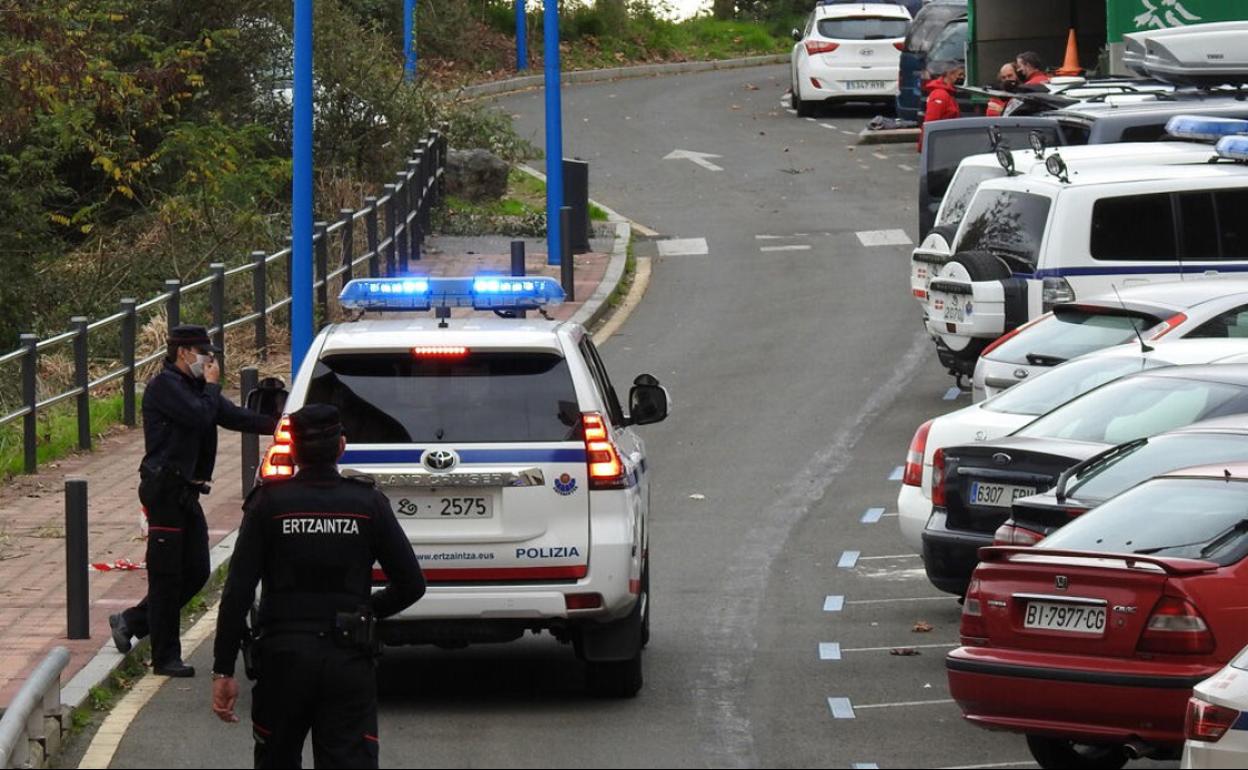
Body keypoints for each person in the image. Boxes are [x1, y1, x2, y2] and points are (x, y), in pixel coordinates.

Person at [210, 404, 426, 769]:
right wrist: (365, 612)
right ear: (341, 446)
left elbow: (237, 594)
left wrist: (223, 669)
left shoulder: (268, 504)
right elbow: (411, 584)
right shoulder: (367, 503)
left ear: (293, 451)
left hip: (282, 660)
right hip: (347, 658)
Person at [110, 325, 278, 677]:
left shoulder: (197, 388)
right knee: (167, 576)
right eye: (206, 355)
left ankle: (130, 620)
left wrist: (281, 424)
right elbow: (200, 415)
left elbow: (232, 416)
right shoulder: (166, 387)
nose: (211, 361)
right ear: (184, 353)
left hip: (186, 494)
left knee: (198, 570)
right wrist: (214, 385)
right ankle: (165, 657)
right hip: (165, 491)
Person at [918, 63, 964, 152]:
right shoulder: (940, 95)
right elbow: (931, 121)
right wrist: (925, 146)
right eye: (960, 75)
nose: (962, 78)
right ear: (950, 74)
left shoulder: (948, 94)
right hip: (941, 145)